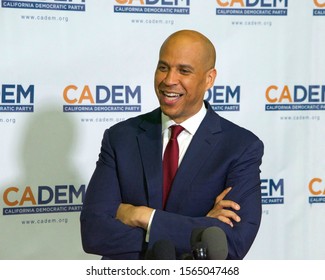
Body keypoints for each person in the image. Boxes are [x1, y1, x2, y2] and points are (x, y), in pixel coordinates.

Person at [80, 30, 264, 260]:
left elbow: (232, 244)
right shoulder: (120, 138)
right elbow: (94, 233)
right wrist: (199, 228)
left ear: (209, 79)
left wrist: (142, 216)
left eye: (184, 71)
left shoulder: (240, 147)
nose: (169, 80)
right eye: (163, 67)